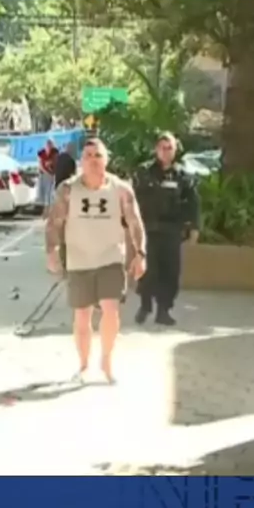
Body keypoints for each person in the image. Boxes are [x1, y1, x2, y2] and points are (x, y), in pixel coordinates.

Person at [45, 137, 147, 383]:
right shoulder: (68, 189)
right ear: (81, 160)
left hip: (110, 257)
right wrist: (52, 251)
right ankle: (83, 364)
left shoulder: (120, 189)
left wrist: (140, 254)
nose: (93, 160)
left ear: (106, 160)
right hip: (79, 259)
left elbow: (134, 222)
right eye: (88, 155)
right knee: (82, 315)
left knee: (111, 310)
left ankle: (107, 360)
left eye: (98, 155)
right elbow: (54, 222)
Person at [132, 132, 200, 327]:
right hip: (148, 229)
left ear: (175, 150)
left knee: (170, 272)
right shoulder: (143, 172)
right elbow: (132, 199)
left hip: (171, 231)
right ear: (156, 150)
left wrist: (194, 227)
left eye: (169, 148)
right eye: (162, 148)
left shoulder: (182, 176)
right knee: (148, 271)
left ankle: (164, 310)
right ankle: (145, 305)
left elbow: (193, 203)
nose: (166, 151)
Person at [36, 138, 58, 218]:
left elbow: (56, 162)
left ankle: (49, 211)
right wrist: (47, 171)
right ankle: (45, 211)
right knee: (44, 192)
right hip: (44, 175)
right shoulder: (41, 153)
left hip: (51, 175)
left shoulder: (55, 152)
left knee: (50, 193)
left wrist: (52, 170)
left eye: (50, 145)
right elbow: (40, 165)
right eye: (48, 145)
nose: (49, 147)